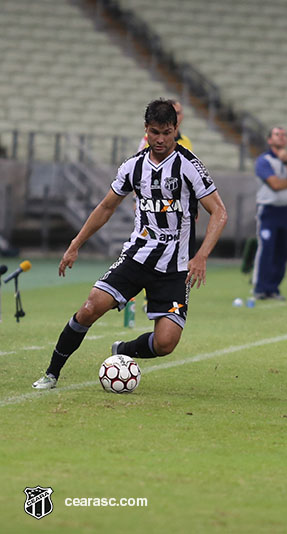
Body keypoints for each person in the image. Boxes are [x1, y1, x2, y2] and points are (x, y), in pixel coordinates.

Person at [32, 99, 227, 389]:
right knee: (90, 308)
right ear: (146, 129)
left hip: (175, 268)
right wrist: (75, 244)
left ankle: (121, 351)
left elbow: (219, 212)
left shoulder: (189, 166)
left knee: (165, 343)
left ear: (175, 129)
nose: (160, 139)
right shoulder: (133, 166)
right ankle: (51, 373)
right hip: (137, 257)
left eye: (167, 132)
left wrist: (201, 256)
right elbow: (106, 207)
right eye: (154, 132)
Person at [252, 126, 287, 300]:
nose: (281, 137)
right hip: (269, 209)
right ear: (270, 140)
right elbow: (275, 185)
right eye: (277, 134)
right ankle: (260, 288)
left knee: (283, 249)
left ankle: (273, 288)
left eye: (283, 135)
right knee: (267, 247)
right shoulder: (264, 160)